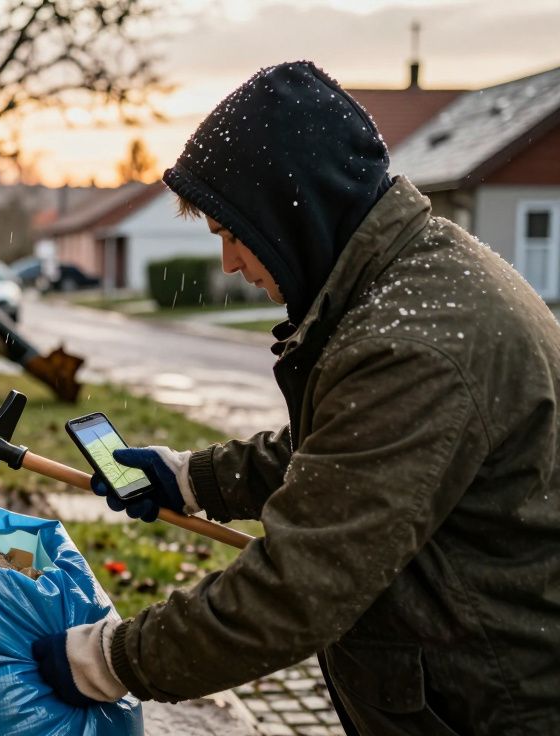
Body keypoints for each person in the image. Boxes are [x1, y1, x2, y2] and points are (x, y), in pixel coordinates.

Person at [31, 60, 560, 734]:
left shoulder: (417, 344)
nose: (228, 264)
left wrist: (105, 662)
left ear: (291, 214)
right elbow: (348, 455)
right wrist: (192, 479)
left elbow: (297, 589)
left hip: (496, 705)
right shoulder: (409, 283)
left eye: (230, 235)